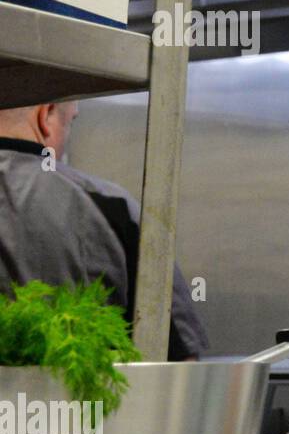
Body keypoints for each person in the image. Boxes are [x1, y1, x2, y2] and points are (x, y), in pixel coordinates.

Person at [0, 101, 208, 360]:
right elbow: (179, 358)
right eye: (71, 122)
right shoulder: (111, 206)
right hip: (87, 400)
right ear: (45, 115)